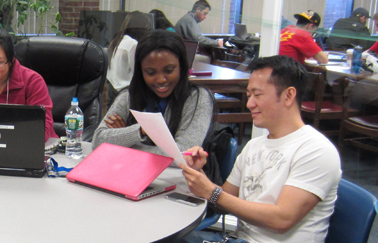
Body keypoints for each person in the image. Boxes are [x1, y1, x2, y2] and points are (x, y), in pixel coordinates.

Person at [179, 55, 341, 243]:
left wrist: (212, 192)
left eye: (258, 95)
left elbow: (282, 219)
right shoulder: (254, 146)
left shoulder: (316, 150)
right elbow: (224, 202)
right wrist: (198, 175)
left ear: (288, 95)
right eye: (249, 95)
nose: (250, 104)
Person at [92, 30, 214, 159]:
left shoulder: (198, 98)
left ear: (182, 67)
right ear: (141, 71)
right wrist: (141, 130)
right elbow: (97, 142)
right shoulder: (129, 95)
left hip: (178, 177)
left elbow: (183, 154)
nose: (161, 79)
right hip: (133, 173)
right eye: (150, 72)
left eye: (169, 70)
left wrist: (123, 142)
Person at [105, 12, 150, 104]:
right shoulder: (132, 44)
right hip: (126, 92)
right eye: (146, 28)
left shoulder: (117, 41)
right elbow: (138, 72)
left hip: (113, 90)